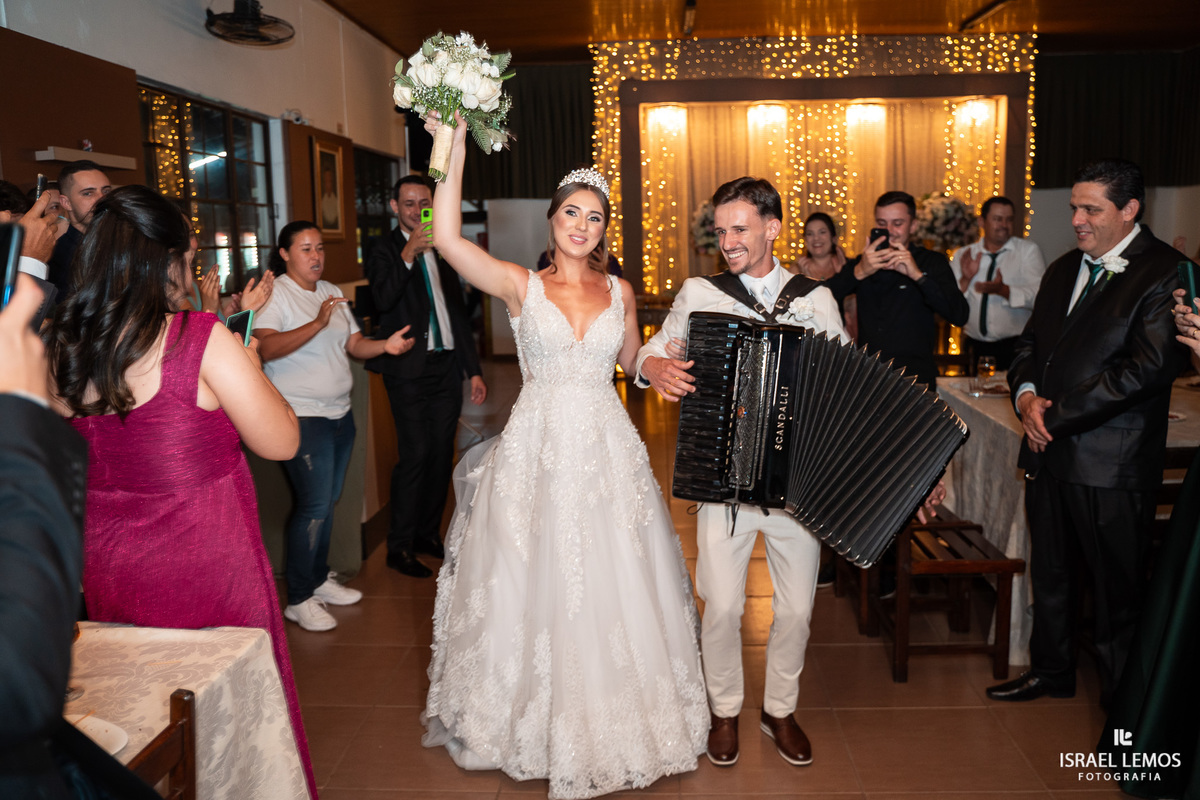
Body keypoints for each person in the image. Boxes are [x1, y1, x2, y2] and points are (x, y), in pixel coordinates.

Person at [419, 112, 708, 798]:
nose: (583, 225)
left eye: (595, 217)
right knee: (537, 578)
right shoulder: (522, 284)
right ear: (552, 220)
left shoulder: (621, 292)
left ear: (605, 229)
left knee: (615, 579)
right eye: (572, 212)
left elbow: (633, 359)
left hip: (608, 445)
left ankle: (618, 719)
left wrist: (655, 371)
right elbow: (445, 236)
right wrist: (450, 143)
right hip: (540, 447)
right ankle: (527, 720)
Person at [45, 185, 318, 798]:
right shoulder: (198, 338)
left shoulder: (61, 344)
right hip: (204, 558)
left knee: (137, 716)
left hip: (108, 561)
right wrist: (246, 361)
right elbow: (280, 441)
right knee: (230, 718)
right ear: (164, 260)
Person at [638, 177, 849, 769]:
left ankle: (779, 708)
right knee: (724, 605)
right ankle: (725, 709)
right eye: (721, 230)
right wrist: (653, 365)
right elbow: (652, 349)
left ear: (772, 228)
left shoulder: (816, 298)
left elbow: (842, 384)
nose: (727, 240)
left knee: (799, 610)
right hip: (721, 479)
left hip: (795, 487)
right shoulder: (700, 292)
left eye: (739, 228)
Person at [987, 159, 1186, 705]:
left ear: (1129, 211)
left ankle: (1124, 708)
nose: (1076, 219)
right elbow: (1027, 347)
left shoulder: (1165, 271)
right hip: (1048, 453)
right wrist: (1026, 397)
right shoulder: (1063, 269)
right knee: (1052, 576)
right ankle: (1052, 672)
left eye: (1090, 209)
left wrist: (1052, 414)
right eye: (1074, 207)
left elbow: (1145, 369)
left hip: (1110, 464)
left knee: (1116, 593)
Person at [254, 221, 415, 632]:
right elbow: (266, 346)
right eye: (305, 248)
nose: (316, 256)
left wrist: (386, 345)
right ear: (285, 254)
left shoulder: (330, 293)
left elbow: (354, 344)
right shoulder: (278, 295)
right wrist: (316, 324)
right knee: (314, 504)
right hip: (301, 415)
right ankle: (300, 598)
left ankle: (318, 578)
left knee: (329, 500)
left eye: (319, 248)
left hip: (339, 413)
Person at [364, 175, 487, 578]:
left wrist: (473, 371)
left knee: (440, 454)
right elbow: (383, 299)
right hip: (408, 370)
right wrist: (407, 253)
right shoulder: (383, 248)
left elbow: (455, 313)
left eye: (424, 202)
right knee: (415, 454)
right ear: (395, 207)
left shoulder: (444, 246)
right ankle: (397, 546)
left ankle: (426, 534)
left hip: (446, 367)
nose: (418, 210)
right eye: (410, 203)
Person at [825, 190, 969, 389]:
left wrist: (918, 276)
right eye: (882, 223)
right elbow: (821, 297)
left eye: (897, 223)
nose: (889, 230)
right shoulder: (863, 262)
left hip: (916, 380)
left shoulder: (931, 262)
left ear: (913, 226)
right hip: (869, 377)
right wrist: (859, 272)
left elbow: (959, 314)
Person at [950, 196, 1047, 371]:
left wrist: (1004, 291)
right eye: (997, 219)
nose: (1004, 224)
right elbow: (949, 303)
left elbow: (1041, 297)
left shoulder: (1027, 251)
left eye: (1009, 219)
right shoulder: (963, 254)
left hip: (1014, 346)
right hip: (973, 346)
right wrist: (966, 278)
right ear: (982, 221)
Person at [46, 160, 111, 298]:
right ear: (66, 202)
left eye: (106, 191)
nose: (102, 199)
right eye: (88, 193)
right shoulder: (59, 256)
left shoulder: (125, 242)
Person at [791, 211, 857, 340]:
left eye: (822, 232)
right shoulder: (796, 270)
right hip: (809, 337)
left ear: (833, 237)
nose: (816, 239)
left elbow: (853, 312)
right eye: (810, 234)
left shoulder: (847, 268)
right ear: (805, 240)